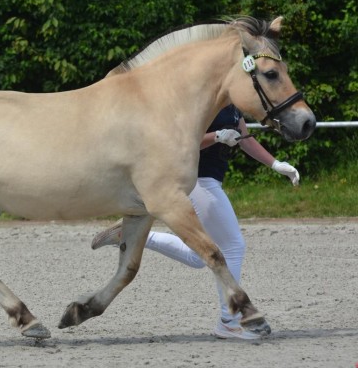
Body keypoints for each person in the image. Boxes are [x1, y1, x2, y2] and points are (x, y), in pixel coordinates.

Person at [91, 104, 300, 340]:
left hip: (210, 181)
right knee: (233, 246)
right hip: (199, 180)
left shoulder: (232, 107)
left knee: (198, 256)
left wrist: (276, 165)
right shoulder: (201, 102)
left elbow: (245, 140)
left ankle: (133, 235)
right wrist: (217, 136)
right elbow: (181, 142)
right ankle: (229, 322)